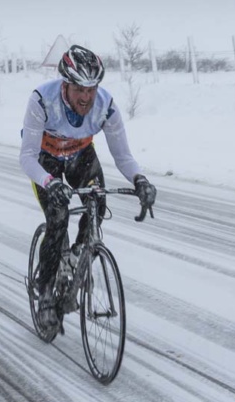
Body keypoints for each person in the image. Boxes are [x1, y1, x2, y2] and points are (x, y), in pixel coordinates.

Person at [19, 44, 157, 329]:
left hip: (81, 155)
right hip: (46, 159)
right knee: (57, 219)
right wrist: (49, 182)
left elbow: (123, 156)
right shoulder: (42, 100)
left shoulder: (106, 106)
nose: (86, 97)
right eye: (80, 89)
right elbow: (27, 157)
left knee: (98, 201)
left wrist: (140, 180)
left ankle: (76, 261)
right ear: (65, 85)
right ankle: (45, 293)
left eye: (91, 89)